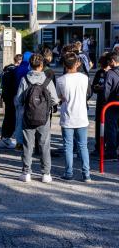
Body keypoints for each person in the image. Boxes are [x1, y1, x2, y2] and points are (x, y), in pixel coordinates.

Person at [16, 54, 58, 183]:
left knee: (28, 144)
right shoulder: (47, 81)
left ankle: (26, 172)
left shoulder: (25, 80)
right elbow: (55, 100)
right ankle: (46, 174)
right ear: (41, 66)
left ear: (30, 65)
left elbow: (18, 100)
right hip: (43, 118)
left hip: (27, 117)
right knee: (44, 144)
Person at [56, 52, 91, 182]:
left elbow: (59, 96)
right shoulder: (84, 78)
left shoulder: (60, 80)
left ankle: (69, 172)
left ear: (64, 65)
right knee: (83, 146)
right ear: (76, 63)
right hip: (82, 116)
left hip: (67, 116)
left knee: (68, 146)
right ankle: (86, 174)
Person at [0, 54, 22, 149]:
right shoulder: (14, 71)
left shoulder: (6, 70)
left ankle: (4, 138)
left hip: (6, 97)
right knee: (11, 118)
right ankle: (6, 139)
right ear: (19, 61)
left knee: (8, 117)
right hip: (12, 97)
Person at [92, 53, 110, 155]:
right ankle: (98, 147)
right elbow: (94, 87)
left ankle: (110, 146)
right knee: (99, 125)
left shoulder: (113, 73)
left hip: (109, 104)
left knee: (110, 126)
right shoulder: (99, 73)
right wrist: (96, 87)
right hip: (100, 103)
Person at [14, 52, 32, 151]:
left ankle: (19, 142)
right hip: (26, 98)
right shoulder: (28, 69)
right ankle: (26, 142)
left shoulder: (19, 68)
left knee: (19, 121)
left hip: (17, 96)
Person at [103, 51, 119, 161]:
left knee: (111, 128)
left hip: (112, 104)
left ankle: (111, 151)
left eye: (109, 61)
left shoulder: (110, 73)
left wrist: (105, 103)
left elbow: (106, 91)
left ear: (112, 61)